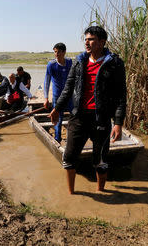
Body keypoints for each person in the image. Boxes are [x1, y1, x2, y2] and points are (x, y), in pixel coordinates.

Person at [50, 26, 126, 194]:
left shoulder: (114, 63)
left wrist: (118, 123)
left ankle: (101, 192)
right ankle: (72, 194)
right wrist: (57, 108)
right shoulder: (79, 61)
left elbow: (121, 95)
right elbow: (68, 88)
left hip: (101, 118)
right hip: (78, 116)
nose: (87, 42)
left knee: (100, 160)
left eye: (91, 39)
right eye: (85, 39)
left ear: (102, 42)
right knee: (69, 158)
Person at [43, 43, 73, 143]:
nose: (56, 54)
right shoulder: (51, 65)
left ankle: (72, 138)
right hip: (57, 96)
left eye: (59, 52)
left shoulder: (69, 62)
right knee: (58, 119)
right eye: (55, 52)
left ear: (64, 52)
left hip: (69, 95)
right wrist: (46, 98)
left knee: (74, 115)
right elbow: (46, 81)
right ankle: (57, 139)